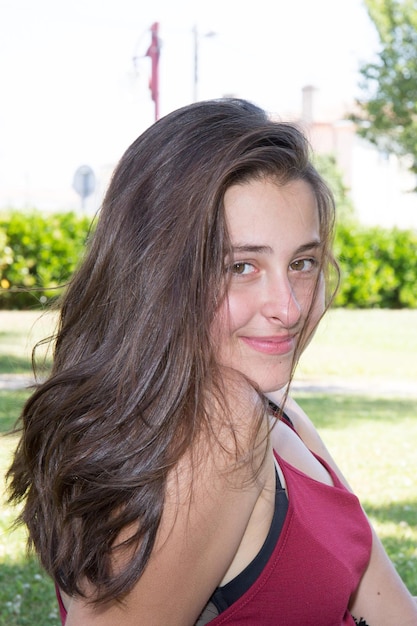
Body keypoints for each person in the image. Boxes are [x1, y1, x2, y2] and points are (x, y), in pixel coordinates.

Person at [7, 98, 417, 626]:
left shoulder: (274, 412)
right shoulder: (217, 436)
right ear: (157, 275)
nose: (288, 307)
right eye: (241, 266)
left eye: (302, 263)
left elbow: (394, 613)